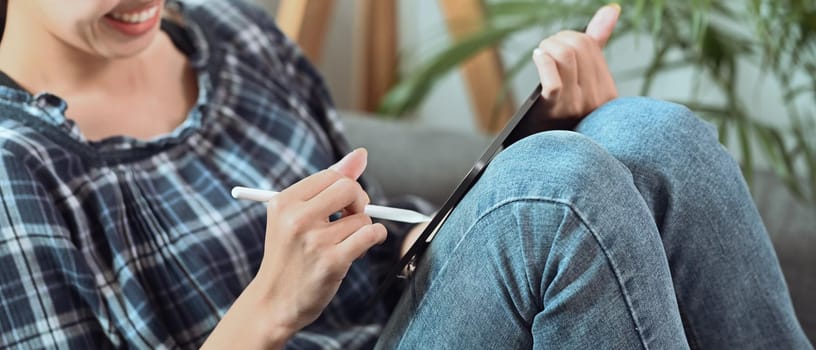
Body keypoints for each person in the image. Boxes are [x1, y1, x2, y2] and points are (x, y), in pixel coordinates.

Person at [0, 0, 809, 348]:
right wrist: (268, 311)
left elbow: (377, 229)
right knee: (555, 197)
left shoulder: (234, 41)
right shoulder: (19, 167)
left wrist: (545, 142)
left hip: (400, 325)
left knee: (649, 132)